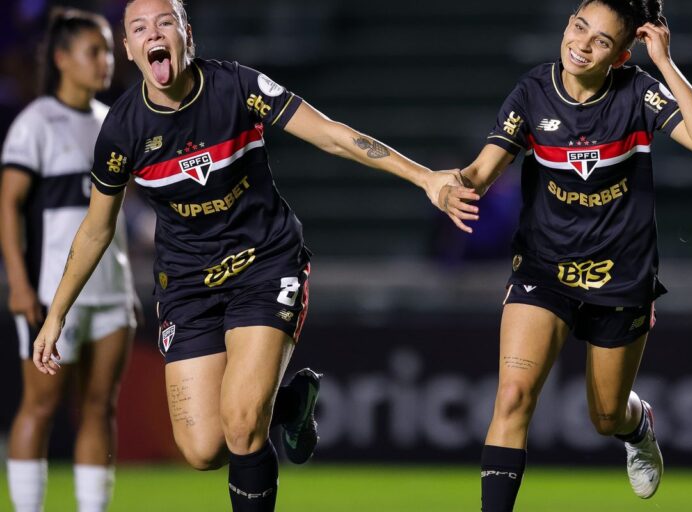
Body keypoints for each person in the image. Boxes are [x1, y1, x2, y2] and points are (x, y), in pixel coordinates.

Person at [30, 0, 466, 510]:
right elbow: (96, 229)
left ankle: (262, 417)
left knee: (241, 425)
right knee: (202, 449)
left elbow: (330, 135)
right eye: (140, 27)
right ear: (129, 48)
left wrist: (424, 177)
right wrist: (56, 313)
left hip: (265, 266)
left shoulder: (237, 86)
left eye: (166, 22)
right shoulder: (122, 130)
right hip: (187, 286)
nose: (154, 34)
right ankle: (290, 404)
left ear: (187, 34)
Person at [436, 1, 692, 509]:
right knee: (513, 396)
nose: (581, 44)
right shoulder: (533, 90)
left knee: (607, 416)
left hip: (622, 274)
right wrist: (446, 184)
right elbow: (480, 172)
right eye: (578, 27)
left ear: (620, 56)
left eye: (601, 41)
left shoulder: (638, 91)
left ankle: (638, 427)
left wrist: (664, 62)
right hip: (544, 268)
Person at [1, 9, 136, 512]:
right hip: (51, 294)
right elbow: (8, 205)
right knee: (40, 406)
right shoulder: (36, 123)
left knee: (100, 408)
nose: (106, 61)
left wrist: (128, 286)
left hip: (112, 293)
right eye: (93, 51)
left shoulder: (113, 121)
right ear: (61, 59)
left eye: (107, 51)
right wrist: (18, 283)